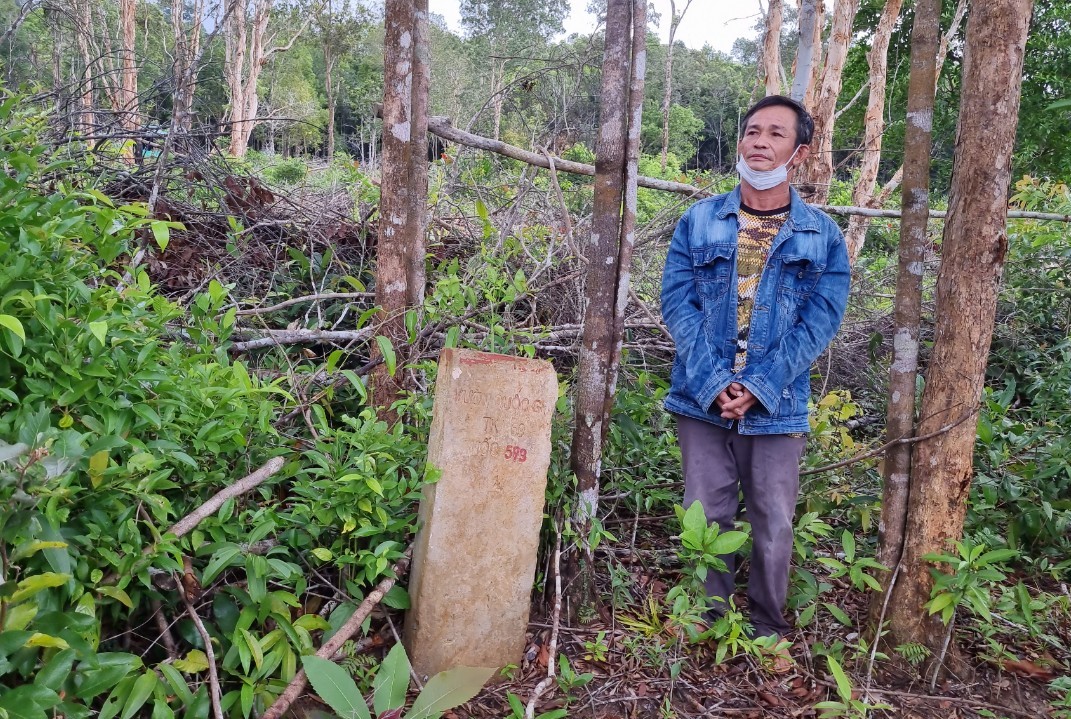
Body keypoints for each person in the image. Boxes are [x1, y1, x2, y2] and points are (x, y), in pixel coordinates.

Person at [660, 95, 851, 643]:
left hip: (778, 404)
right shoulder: (699, 221)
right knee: (706, 513)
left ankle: (768, 627)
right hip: (702, 399)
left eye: (775, 134)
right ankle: (708, 619)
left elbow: (819, 322)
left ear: (801, 153)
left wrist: (760, 386)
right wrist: (718, 382)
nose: (759, 143)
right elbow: (679, 304)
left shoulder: (822, 236)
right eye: (751, 132)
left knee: (772, 523)